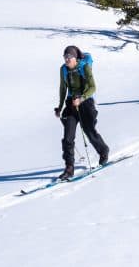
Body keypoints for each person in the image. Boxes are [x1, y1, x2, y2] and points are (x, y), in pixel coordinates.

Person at [53, 45, 109, 180]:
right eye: (65, 57)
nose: (66, 60)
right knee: (68, 137)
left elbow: (93, 87)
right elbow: (63, 88)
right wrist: (60, 107)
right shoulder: (63, 69)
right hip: (71, 104)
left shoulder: (84, 67)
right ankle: (69, 168)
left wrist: (82, 98)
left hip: (85, 102)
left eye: (69, 57)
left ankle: (103, 151)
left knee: (89, 131)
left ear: (75, 58)